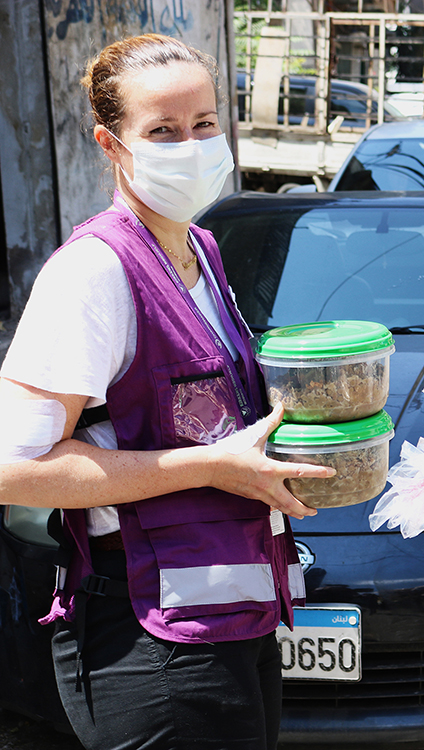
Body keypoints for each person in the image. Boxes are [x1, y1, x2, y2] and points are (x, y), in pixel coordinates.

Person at [0, 34, 334, 750]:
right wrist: (212, 469)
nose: (191, 146)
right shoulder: (94, 273)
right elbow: (15, 469)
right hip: (149, 641)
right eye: (162, 131)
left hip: (230, 622)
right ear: (110, 144)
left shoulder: (199, 250)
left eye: (203, 124)